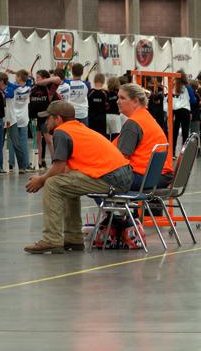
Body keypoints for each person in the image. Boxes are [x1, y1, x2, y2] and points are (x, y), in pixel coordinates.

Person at [24, 101, 132, 254]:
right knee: (65, 181)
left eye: (48, 118)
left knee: (53, 184)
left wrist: (41, 180)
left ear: (58, 119)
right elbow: (64, 170)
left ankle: (51, 239)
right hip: (121, 175)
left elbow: (58, 167)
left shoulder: (61, 132)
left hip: (111, 178)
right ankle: (73, 238)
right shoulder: (78, 128)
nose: (45, 121)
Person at [113, 84, 174, 190]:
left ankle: (115, 205)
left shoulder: (133, 123)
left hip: (145, 176)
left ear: (135, 101)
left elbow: (120, 158)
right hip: (160, 175)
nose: (117, 101)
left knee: (97, 179)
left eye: (122, 98)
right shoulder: (146, 117)